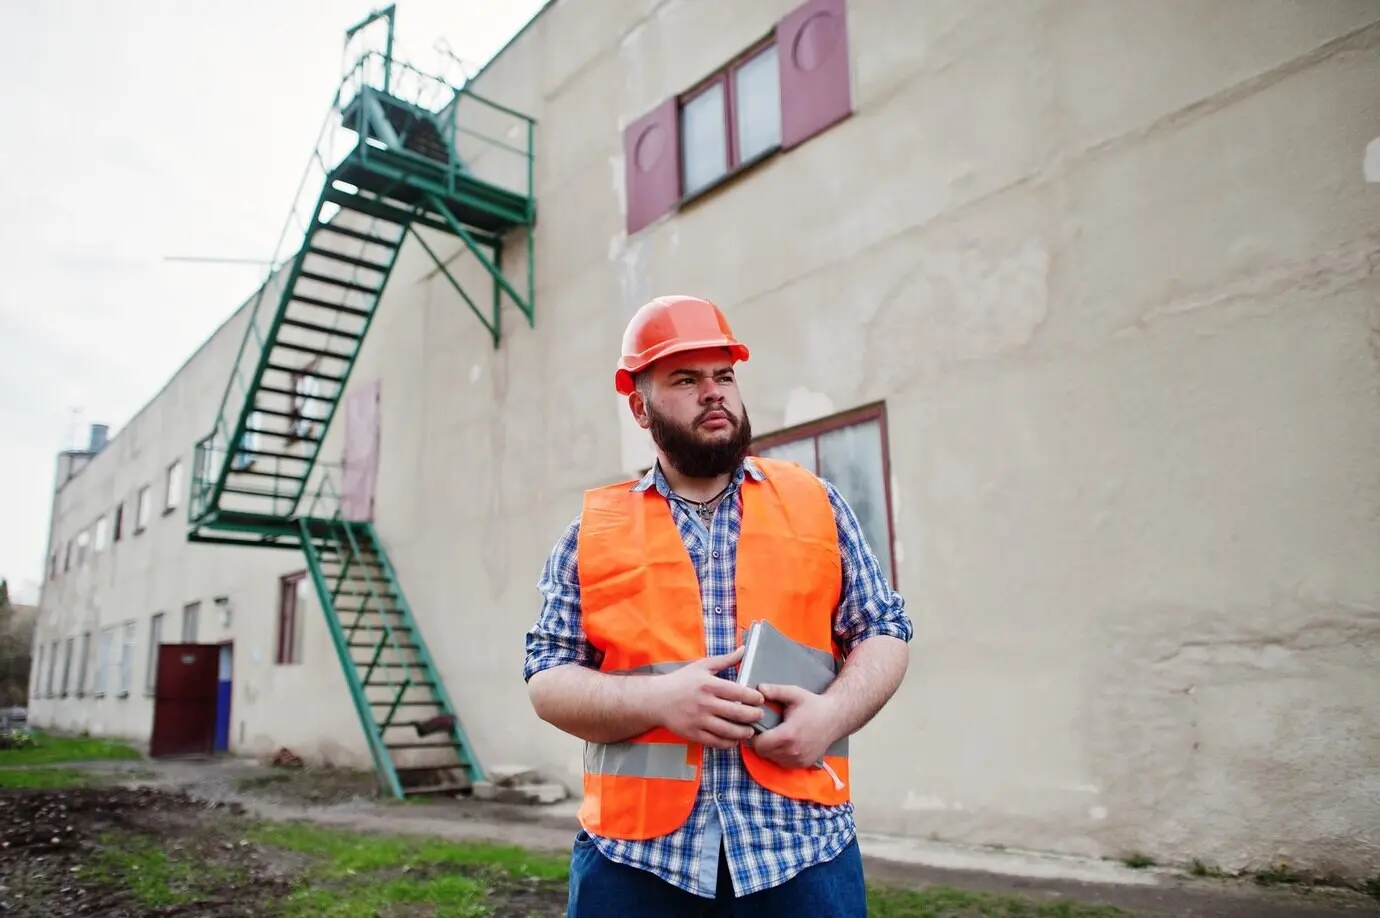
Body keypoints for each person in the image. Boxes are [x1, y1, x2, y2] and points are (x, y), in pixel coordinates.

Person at [523, 294, 913, 917]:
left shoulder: (816, 504)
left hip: (801, 851)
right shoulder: (591, 533)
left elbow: (885, 630)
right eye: (685, 379)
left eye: (723, 376)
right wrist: (657, 700)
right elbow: (547, 676)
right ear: (640, 407)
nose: (714, 393)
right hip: (637, 864)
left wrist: (832, 715)